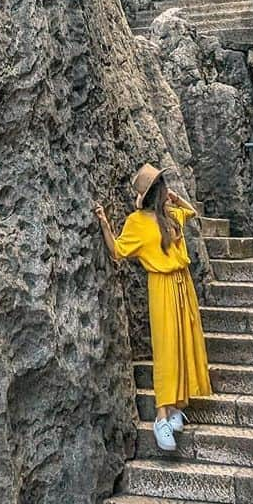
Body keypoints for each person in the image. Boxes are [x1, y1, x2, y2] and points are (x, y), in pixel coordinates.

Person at [94, 163, 211, 453]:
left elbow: (192, 213)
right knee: (167, 347)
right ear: (156, 192)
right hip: (160, 286)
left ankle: (174, 408)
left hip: (182, 285)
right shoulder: (137, 221)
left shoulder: (169, 216)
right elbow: (119, 252)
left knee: (184, 343)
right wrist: (105, 224)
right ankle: (161, 415)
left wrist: (174, 198)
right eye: (163, 188)